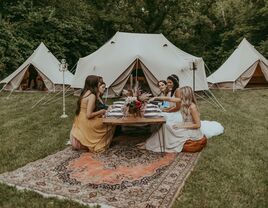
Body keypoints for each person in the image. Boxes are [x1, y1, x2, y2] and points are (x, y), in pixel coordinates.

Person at [143, 86, 206, 152]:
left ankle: (155, 145)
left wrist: (181, 126)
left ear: (186, 95)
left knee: (167, 126)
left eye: (181, 94)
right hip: (185, 124)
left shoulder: (193, 107)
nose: (179, 96)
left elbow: (198, 125)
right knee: (166, 125)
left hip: (191, 129)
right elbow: (169, 99)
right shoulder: (182, 101)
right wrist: (156, 98)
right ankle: (152, 144)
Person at [70, 75, 115, 153]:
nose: (99, 84)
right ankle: (98, 144)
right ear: (94, 84)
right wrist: (101, 111)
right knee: (110, 123)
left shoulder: (85, 92)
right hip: (86, 121)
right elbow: (89, 115)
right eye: (98, 82)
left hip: (80, 120)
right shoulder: (92, 96)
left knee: (105, 119)